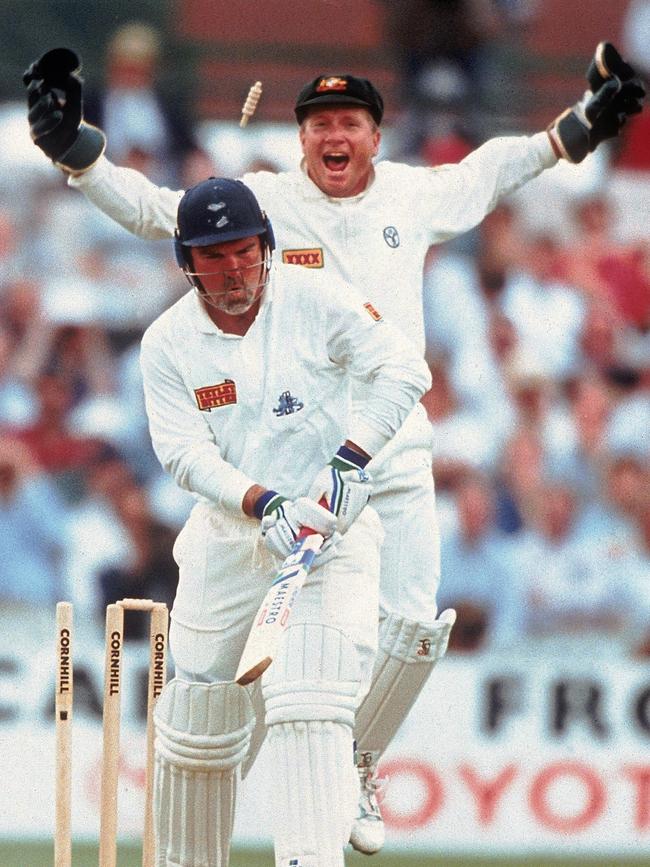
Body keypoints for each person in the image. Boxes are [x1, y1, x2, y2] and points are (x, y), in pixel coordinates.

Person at [23, 42, 645, 854]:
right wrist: (76, 153)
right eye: (318, 125)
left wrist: (577, 128)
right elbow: (161, 212)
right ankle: (240, 776)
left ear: (376, 136)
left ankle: (357, 762)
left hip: (392, 449)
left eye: (349, 121)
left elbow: (497, 169)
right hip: (298, 464)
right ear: (301, 138)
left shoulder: (414, 193)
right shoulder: (266, 201)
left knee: (416, 630)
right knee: (260, 669)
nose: (333, 136)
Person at [138, 177, 429, 864]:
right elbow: (183, 453)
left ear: (266, 245)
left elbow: (404, 370)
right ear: (187, 260)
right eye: (213, 257)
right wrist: (262, 502)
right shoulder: (168, 341)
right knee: (198, 718)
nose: (233, 270)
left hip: (327, 533)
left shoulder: (315, 297)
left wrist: (350, 463)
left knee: (312, 698)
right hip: (230, 538)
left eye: (243, 251)